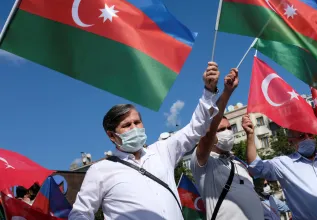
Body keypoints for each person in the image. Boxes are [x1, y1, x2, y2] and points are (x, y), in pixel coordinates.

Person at [69, 62, 226, 220]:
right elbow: (80, 214)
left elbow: (195, 129)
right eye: (127, 125)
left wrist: (208, 91)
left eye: (137, 122)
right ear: (111, 135)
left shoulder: (162, 151)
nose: (134, 128)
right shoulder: (101, 171)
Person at [191, 68, 264, 220]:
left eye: (230, 128)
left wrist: (250, 135)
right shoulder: (203, 162)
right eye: (222, 129)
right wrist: (227, 92)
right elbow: (210, 130)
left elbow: (256, 169)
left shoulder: (237, 163)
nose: (228, 132)